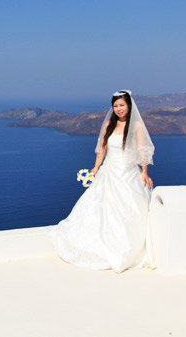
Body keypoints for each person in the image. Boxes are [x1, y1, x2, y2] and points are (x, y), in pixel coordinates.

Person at [52, 90, 155, 272]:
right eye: (115, 106)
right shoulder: (109, 124)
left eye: (122, 105)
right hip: (109, 171)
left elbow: (142, 150)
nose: (118, 109)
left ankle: (127, 249)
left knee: (128, 209)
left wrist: (145, 172)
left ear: (129, 105)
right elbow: (102, 148)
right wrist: (95, 167)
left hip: (128, 173)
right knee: (99, 208)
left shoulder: (136, 126)